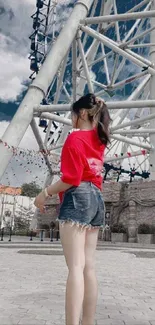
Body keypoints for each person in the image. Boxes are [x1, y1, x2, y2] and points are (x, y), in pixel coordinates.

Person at [34, 93, 111, 325]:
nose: (71, 118)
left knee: (75, 267)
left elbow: (71, 178)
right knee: (89, 267)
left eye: (73, 114)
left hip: (78, 197)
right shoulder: (99, 140)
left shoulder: (75, 139)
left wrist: (45, 192)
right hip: (97, 198)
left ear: (83, 113)